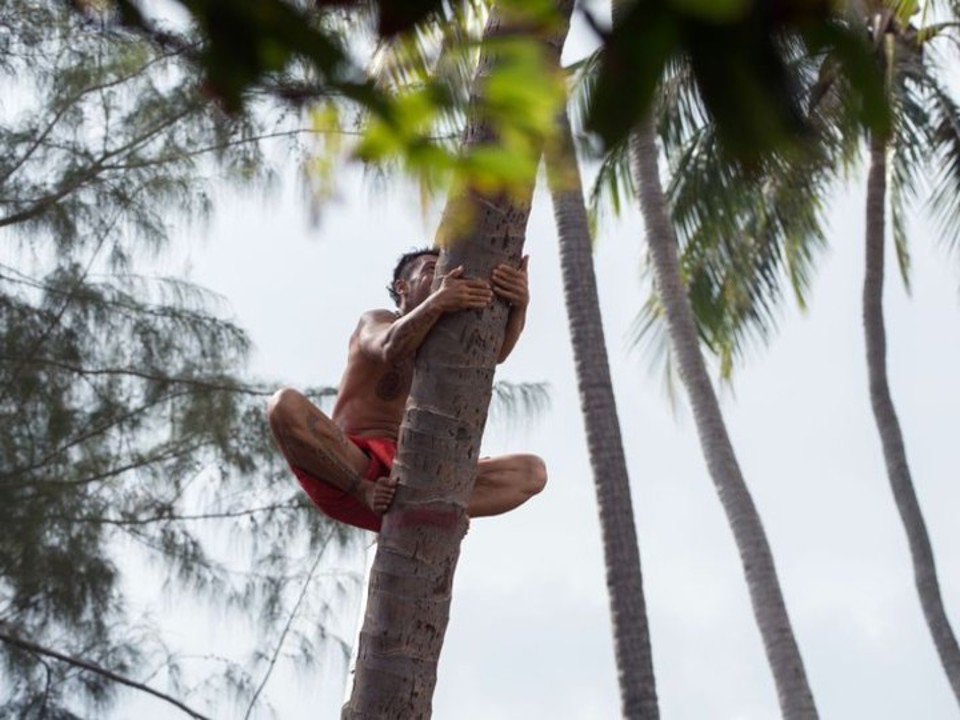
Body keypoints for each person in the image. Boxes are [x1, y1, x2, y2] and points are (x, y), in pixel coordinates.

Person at [266, 247, 547, 532]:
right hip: (352, 470)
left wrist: (519, 305)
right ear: (402, 287)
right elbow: (388, 346)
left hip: (414, 478)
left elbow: (494, 355)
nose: (440, 279)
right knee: (283, 404)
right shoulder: (377, 319)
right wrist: (437, 303)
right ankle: (370, 491)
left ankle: (436, 507)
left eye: (443, 272)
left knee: (530, 472)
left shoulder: (443, 344)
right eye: (430, 271)